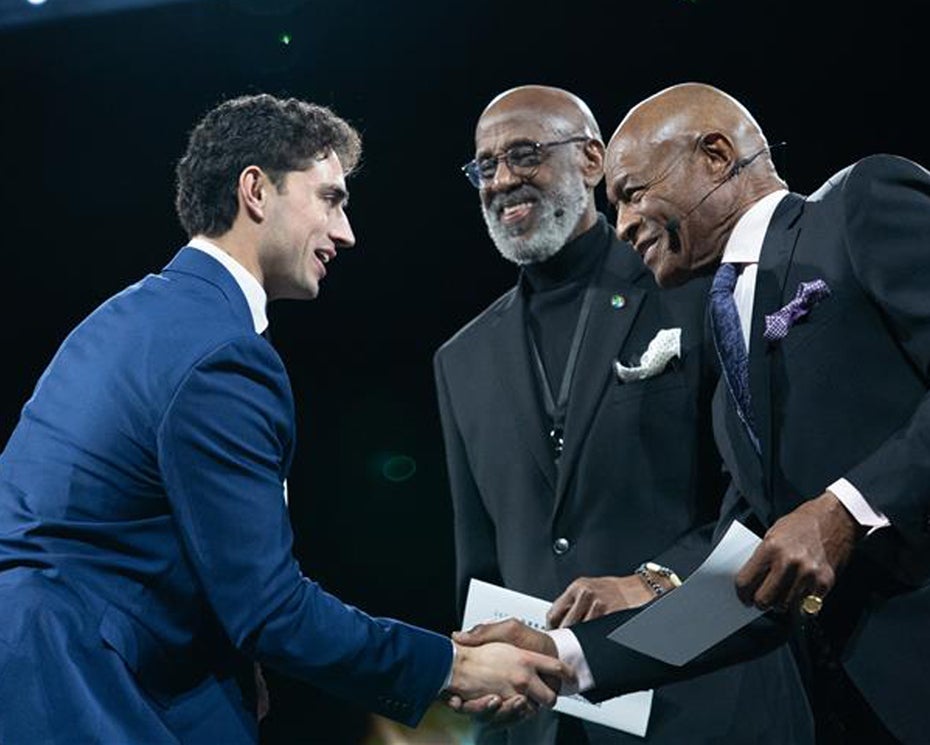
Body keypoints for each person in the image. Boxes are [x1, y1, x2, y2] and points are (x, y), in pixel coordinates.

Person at [0, 93, 572, 744]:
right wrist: (453, 665)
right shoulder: (223, 354)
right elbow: (269, 609)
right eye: (330, 198)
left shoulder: (129, 318)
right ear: (256, 191)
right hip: (84, 693)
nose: (346, 231)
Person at [455, 82, 930, 745]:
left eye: (632, 193)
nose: (619, 223)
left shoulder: (857, 205)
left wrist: (846, 506)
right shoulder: (731, 353)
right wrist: (563, 657)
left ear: (714, 154)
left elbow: (824, 521)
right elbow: (737, 585)